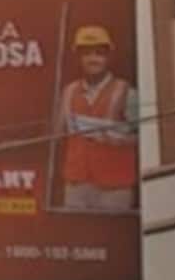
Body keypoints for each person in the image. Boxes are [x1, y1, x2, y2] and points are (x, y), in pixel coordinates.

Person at [57, 24, 139, 211]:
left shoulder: (127, 92)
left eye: (99, 53)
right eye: (87, 53)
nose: (93, 59)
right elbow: (56, 134)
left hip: (114, 187)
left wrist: (116, 138)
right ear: (79, 57)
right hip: (76, 185)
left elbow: (145, 137)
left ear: (108, 57)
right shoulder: (68, 91)